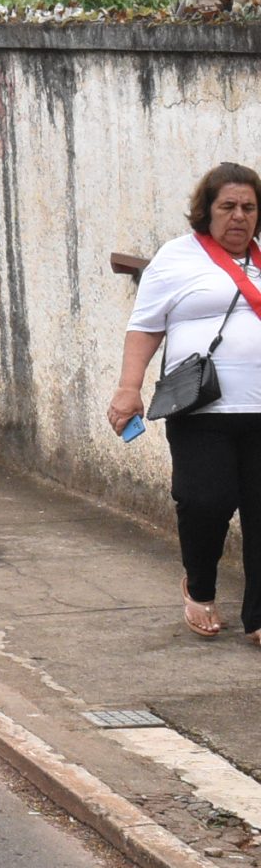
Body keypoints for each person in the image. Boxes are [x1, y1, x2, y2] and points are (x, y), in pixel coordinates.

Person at [108, 161, 261, 643]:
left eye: (249, 207)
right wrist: (128, 388)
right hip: (201, 409)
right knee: (203, 502)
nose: (239, 216)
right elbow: (145, 326)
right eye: (228, 206)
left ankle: (259, 616)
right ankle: (199, 586)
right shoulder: (176, 258)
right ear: (206, 211)